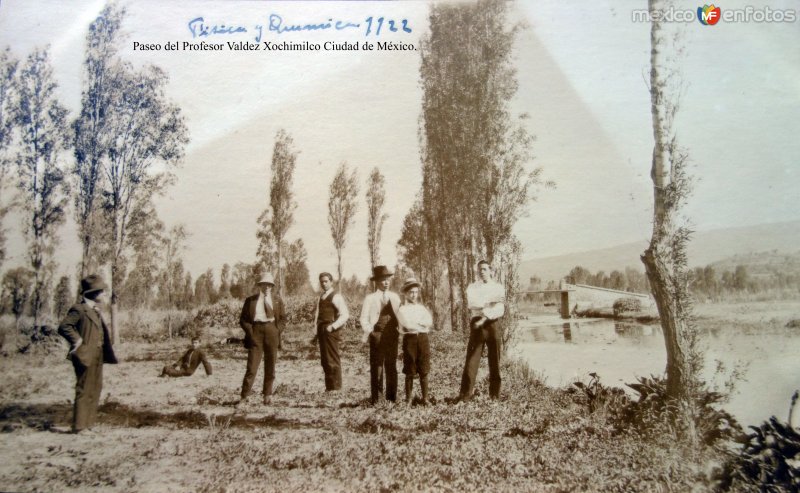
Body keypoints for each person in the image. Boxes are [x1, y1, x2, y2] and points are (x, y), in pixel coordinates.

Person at [58, 274, 118, 434]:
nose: (104, 294)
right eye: (102, 291)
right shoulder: (79, 309)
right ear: (93, 293)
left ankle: (88, 424)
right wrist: (77, 341)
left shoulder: (95, 310)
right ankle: (79, 426)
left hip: (98, 354)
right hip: (84, 355)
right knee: (84, 389)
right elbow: (64, 326)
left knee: (95, 388)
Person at [458, 260, 506, 402]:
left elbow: (500, 309)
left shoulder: (498, 287)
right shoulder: (472, 287)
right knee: (472, 360)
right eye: (480, 269)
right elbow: (473, 303)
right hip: (477, 325)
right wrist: (491, 302)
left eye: (485, 269)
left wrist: (486, 312)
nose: (482, 272)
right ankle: (465, 396)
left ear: (491, 271)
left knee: (495, 361)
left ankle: (495, 396)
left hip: (493, 325)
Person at [238, 272, 285, 405]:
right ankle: (244, 396)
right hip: (256, 332)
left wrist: (277, 331)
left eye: (269, 285)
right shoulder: (251, 301)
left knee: (270, 366)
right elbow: (243, 320)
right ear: (260, 285)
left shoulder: (277, 300)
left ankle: (267, 395)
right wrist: (251, 332)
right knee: (252, 367)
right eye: (264, 284)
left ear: (272, 286)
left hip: (272, 332)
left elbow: (283, 319)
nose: (267, 287)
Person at [359, 265, 402, 404]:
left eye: (388, 279)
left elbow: (401, 315)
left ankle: (391, 398)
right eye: (383, 280)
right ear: (376, 282)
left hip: (392, 336)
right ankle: (377, 399)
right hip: (377, 334)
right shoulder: (370, 298)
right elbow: (363, 318)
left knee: (391, 366)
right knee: (377, 367)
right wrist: (370, 331)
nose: (386, 282)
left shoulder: (395, 297)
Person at [398, 278, 433, 405]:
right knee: (410, 370)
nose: (414, 295)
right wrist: (420, 324)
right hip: (410, 340)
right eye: (411, 292)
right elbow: (407, 325)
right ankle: (408, 399)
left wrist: (418, 324)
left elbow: (429, 322)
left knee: (424, 369)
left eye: (416, 292)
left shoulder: (421, 308)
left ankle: (425, 398)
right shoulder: (402, 309)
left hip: (423, 339)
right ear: (406, 293)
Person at [313, 272, 350, 392]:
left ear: (331, 282)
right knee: (325, 360)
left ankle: (336, 388)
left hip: (330, 330)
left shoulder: (336, 296)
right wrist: (315, 332)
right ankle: (329, 387)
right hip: (321, 330)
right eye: (321, 282)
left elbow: (345, 315)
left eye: (326, 281)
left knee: (333, 358)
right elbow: (317, 315)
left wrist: (333, 327)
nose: (323, 284)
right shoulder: (320, 297)